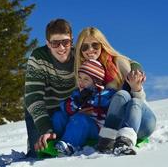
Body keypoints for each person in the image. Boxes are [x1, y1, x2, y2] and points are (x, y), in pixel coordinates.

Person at [74, 27, 156, 155]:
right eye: (85, 47)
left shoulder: (118, 63)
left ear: (102, 45)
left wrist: (135, 87)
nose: (90, 50)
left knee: (122, 94)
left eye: (95, 45)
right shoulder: (84, 73)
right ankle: (108, 140)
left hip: (140, 119)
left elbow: (139, 101)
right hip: (113, 126)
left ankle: (125, 140)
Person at [24, 18, 76, 158]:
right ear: (48, 44)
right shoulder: (38, 58)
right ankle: (32, 141)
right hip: (43, 107)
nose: (61, 48)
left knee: (69, 147)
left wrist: (134, 68)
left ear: (71, 40)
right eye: (55, 43)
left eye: (65, 42)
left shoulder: (79, 55)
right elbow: (34, 98)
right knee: (41, 152)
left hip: (68, 108)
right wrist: (45, 129)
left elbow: (112, 57)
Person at [53, 59, 116, 155]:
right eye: (79, 78)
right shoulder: (77, 93)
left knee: (80, 119)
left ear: (96, 82)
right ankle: (55, 139)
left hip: (96, 129)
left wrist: (92, 101)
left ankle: (69, 146)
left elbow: (112, 108)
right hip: (76, 124)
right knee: (58, 116)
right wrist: (74, 104)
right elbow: (64, 107)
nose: (81, 82)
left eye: (86, 79)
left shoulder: (105, 95)